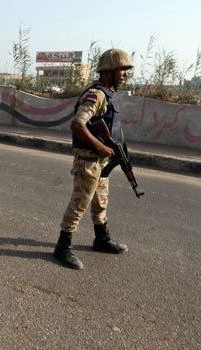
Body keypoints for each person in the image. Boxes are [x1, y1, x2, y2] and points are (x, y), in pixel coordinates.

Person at [53, 49, 133, 270]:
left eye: (126, 70)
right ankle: (62, 246)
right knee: (80, 203)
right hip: (88, 160)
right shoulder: (96, 95)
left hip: (100, 161)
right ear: (108, 71)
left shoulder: (108, 94)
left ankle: (102, 239)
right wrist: (101, 147)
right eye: (122, 70)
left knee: (100, 201)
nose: (125, 74)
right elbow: (78, 124)